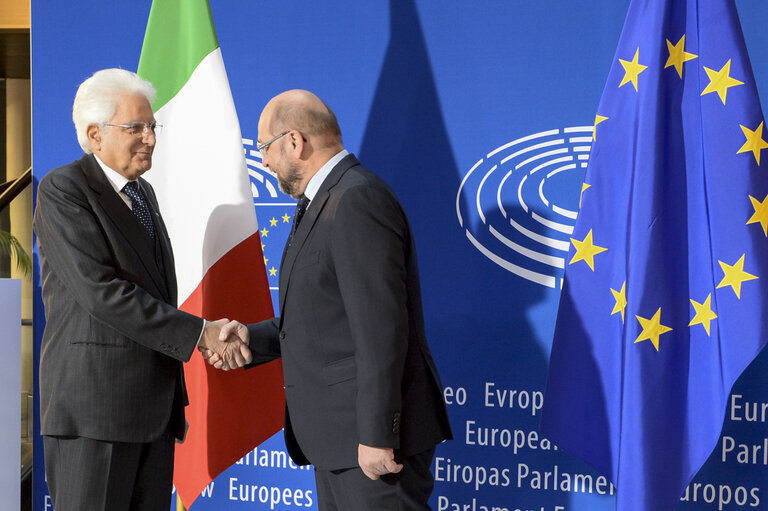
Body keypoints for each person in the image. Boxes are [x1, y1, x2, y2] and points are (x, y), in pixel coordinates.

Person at [207, 89, 452, 510]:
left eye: (265, 147)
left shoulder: (356, 198)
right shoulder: (324, 200)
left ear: (295, 142)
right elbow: (322, 319)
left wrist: (376, 435)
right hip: (338, 443)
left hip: (370, 445)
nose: (263, 161)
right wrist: (250, 339)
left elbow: (382, 328)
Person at [33, 68, 251, 511]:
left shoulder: (143, 193)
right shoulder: (64, 190)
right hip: (97, 414)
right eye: (136, 127)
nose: (150, 137)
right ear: (94, 135)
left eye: (153, 126)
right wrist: (201, 333)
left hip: (152, 411)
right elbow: (103, 292)